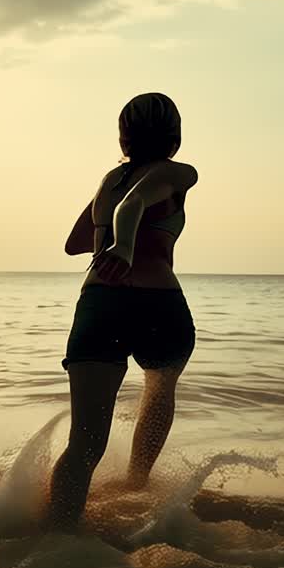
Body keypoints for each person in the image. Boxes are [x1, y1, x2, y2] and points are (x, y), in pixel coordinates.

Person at [47, 93, 199, 529]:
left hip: (101, 305)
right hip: (158, 304)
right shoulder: (177, 172)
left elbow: (75, 242)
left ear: (123, 135)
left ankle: (55, 535)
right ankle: (136, 488)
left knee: (85, 444)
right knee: (158, 390)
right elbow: (135, 205)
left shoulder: (110, 180)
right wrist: (127, 244)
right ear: (175, 136)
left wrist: (107, 227)